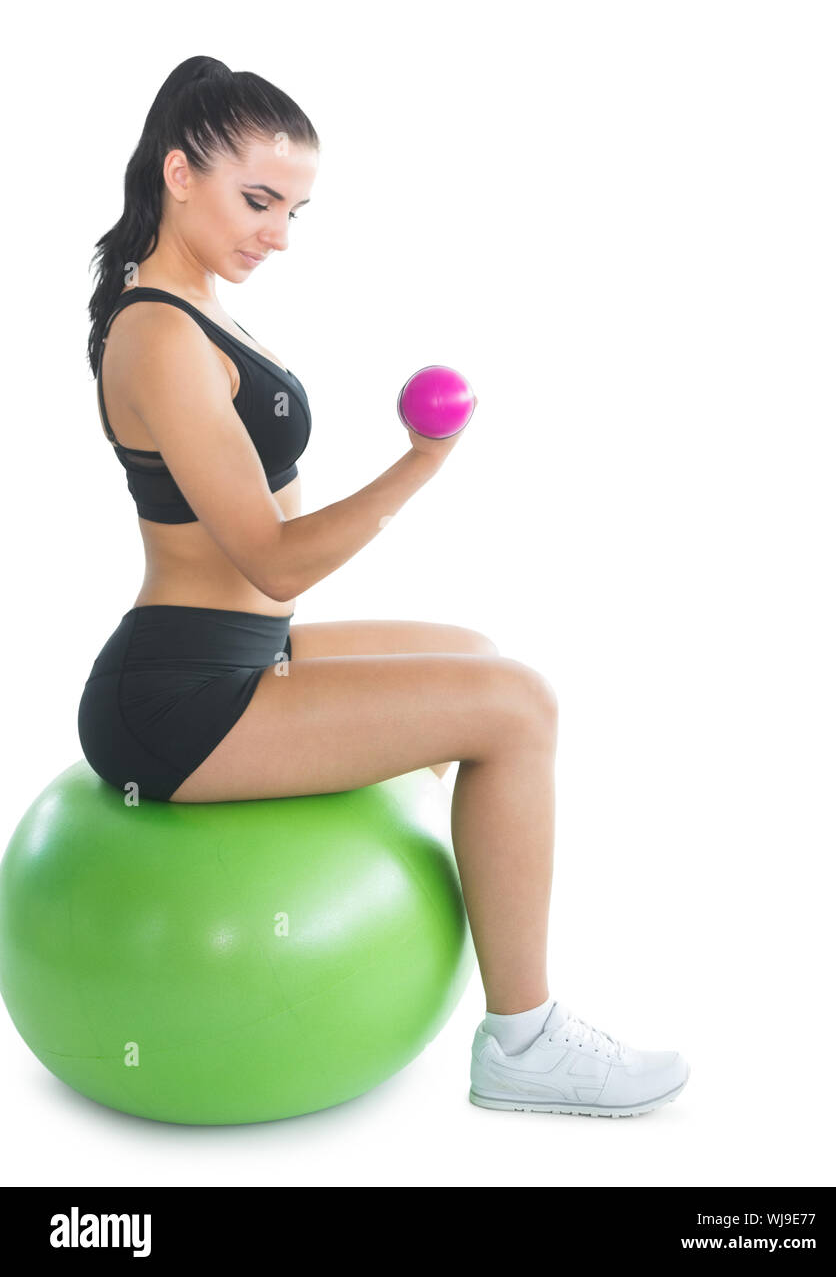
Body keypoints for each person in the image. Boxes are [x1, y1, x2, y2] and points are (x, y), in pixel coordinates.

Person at [77, 54, 690, 1118]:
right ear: (179, 173)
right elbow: (269, 557)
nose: (276, 232)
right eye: (256, 200)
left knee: (474, 654)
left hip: (234, 652)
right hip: (177, 700)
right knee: (517, 706)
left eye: (295, 211)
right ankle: (523, 1039)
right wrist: (419, 459)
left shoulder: (194, 305)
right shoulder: (158, 335)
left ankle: (423, 881)